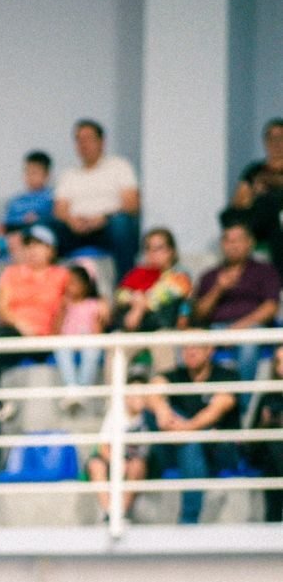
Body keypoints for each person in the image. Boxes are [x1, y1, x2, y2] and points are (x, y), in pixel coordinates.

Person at [147, 343, 241, 525]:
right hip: (180, 446)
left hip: (220, 450)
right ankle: (188, 523)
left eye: (196, 347)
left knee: (190, 441)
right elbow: (152, 389)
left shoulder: (226, 375)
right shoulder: (177, 375)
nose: (190, 352)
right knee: (152, 414)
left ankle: (188, 521)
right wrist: (162, 410)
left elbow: (216, 411)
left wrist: (186, 428)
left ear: (210, 350)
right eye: (186, 347)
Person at [192, 219, 280, 386]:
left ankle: (241, 406)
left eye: (238, 240)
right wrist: (218, 288)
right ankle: (192, 402)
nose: (233, 245)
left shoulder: (265, 271)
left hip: (250, 328)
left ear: (250, 242)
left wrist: (237, 329)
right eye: (228, 240)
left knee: (248, 341)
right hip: (214, 330)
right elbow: (199, 314)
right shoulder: (210, 276)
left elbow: (271, 307)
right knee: (188, 342)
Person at [52, 121, 141, 278]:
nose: (83, 145)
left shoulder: (119, 166)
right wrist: (71, 220)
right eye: (79, 140)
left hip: (107, 227)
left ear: (101, 141)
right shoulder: (68, 174)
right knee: (43, 228)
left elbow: (132, 204)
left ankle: (126, 288)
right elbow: (59, 210)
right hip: (75, 229)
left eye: (88, 139)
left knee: (121, 223)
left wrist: (104, 218)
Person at [0, 151, 55, 307]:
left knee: (16, 241)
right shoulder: (16, 200)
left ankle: (24, 294)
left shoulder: (51, 197)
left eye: (35, 172)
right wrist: (1, 228)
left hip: (29, 237)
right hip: (8, 236)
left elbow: (50, 224)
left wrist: (34, 222)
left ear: (46, 174)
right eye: (27, 172)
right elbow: (6, 223)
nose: (30, 176)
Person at [85, 367, 152, 521]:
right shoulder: (116, 412)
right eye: (134, 393)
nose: (138, 397)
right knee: (95, 464)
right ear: (126, 396)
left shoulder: (149, 417)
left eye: (142, 393)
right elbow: (103, 446)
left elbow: (148, 453)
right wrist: (116, 461)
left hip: (138, 461)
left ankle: (120, 512)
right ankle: (109, 513)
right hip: (115, 458)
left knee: (137, 465)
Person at [111, 229, 192, 334]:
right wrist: (133, 299)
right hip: (134, 330)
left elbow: (160, 297)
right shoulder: (136, 273)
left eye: (158, 248)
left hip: (163, 329)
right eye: (148, 248)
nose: (152, 253)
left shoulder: (180, 277)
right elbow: (120, 294)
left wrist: (139, 306)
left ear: (171, 251)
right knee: (116, 339)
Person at [231, 118, 283, 278]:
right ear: (265, 141)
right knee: (229, 216)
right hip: (256, 221)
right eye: (271, 138)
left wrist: (271, 182)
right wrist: (254, 192)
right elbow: (238, 202)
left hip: (278, 223)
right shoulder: (254, 170)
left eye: (280, 138)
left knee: (272, 209)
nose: (276, 143)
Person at [0, 225, 69, 338]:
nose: (32, 249)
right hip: (13, 331)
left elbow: (79, 296)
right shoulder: (11, 273)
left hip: (47, 335)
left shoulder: (62, 275)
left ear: (51, 250)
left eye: (38, 244)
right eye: (28, 245)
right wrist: (20, 325)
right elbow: (2, 309)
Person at [56, 265, 110, 406]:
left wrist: (102, 311)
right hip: (68, 339)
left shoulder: (94, 304)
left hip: (88, 339)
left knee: (92, 350)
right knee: (60, 348)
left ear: (85, 285)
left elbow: (98, 331)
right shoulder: (65, 304)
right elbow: (57, 330)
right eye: (68, 283)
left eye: (74, 283)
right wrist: (62, 310)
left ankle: (83, 389)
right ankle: (72, 387)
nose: (70, 287)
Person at [249, 345, 283, 521]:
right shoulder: (268, 398)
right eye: (279, 361)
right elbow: (249, 445)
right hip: (270, 460)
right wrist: (265, 423)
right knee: (274, 442)